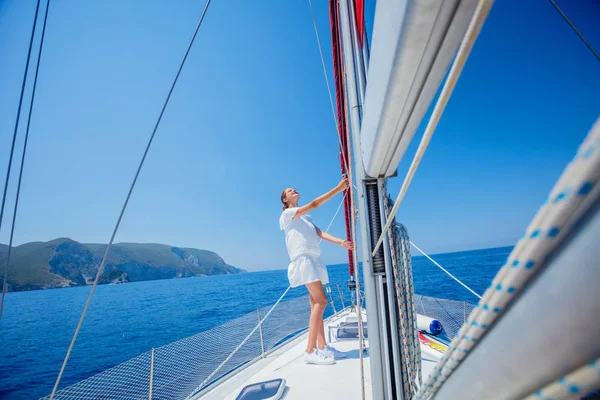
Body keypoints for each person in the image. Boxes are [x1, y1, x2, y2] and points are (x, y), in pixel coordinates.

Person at [279, 177, 354, 365]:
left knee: (315, 304)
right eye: (289, 190)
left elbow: (320, 233)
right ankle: (310, 350)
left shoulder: (305, 218)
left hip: (313, 260)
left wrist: (341, 243)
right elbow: (314, 204)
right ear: (285, 200)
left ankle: (322, 346)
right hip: (303, 260)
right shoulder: (288, 214)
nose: (293, 189)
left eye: (294, 188)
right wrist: (338, 188)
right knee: (322, 301)